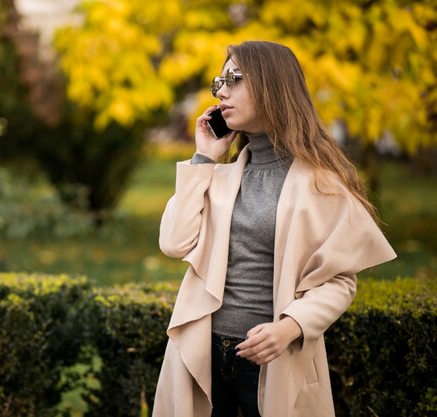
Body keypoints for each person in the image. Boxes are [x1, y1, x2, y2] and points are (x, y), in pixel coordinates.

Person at [151, 40, 396, 417]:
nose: (222, 91)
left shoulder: (321, 183)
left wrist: (291, 326)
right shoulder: (220, 176)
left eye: (234, 79)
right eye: (220, 81)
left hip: (271, 360)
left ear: (272, 85)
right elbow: (173, 241)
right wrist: (204, 157)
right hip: (202, 352)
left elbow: (339, 281)